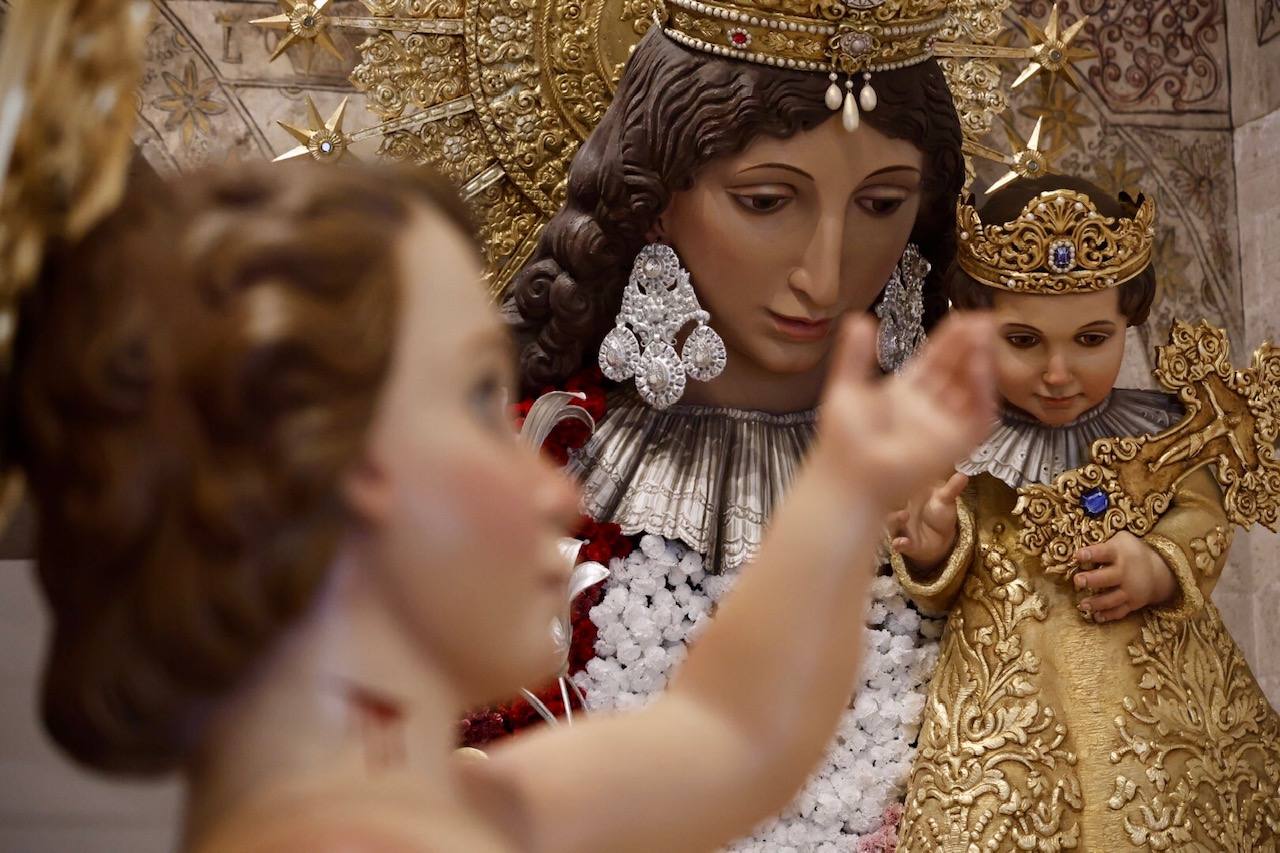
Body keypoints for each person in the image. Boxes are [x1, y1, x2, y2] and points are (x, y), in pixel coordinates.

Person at [13, 159, 996, 852]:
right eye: (477, 402)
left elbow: (731, 738)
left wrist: (841, 492)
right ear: (323, 478)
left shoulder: (462, 806)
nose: (547, 477)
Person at [505, 4, 969, 841]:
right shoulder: (537, 456)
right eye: (766, 200)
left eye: (880, 204)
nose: (824, 274)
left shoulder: (969, 477)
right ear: (652, 201)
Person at [889, 175, 1280, 850]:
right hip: (1008, 708)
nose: (1059, 372)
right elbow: (951, 568)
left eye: (1092, 339)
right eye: (1024, 340)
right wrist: (934, 546)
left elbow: (1203, 520)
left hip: (1161, 709)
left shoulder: (1166, 432)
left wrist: (1157, 565)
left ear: (1129, 322)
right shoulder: (960, 445)